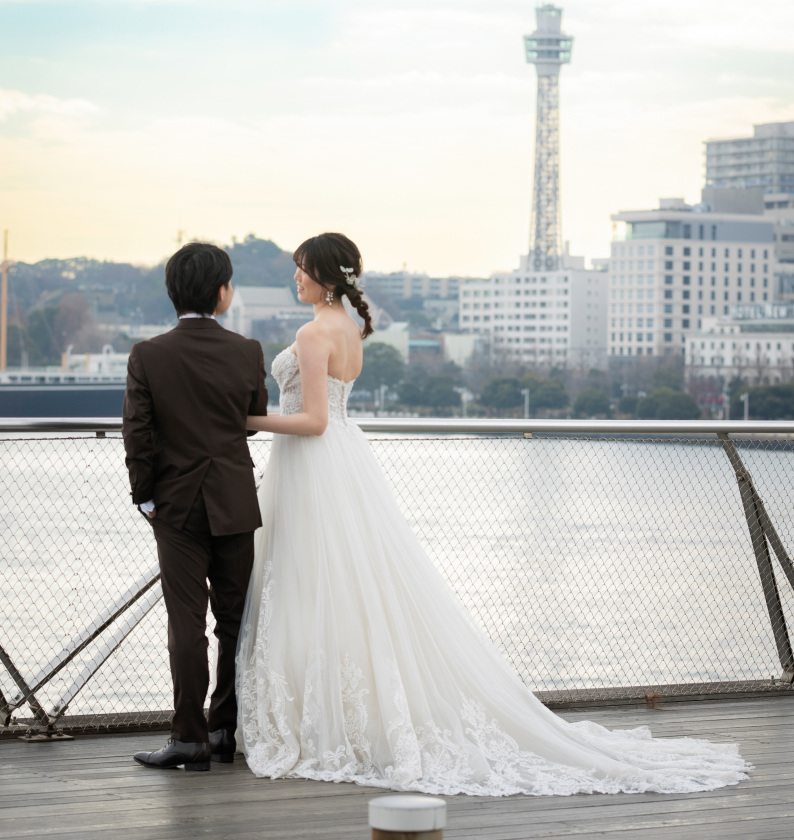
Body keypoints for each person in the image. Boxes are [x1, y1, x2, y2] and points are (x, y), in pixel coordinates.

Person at [236, 232, 748, 796]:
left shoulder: (313, 334)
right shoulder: (350, 329)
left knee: (312, 587)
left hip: (313, 464)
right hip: (342, 466)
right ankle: (345, 711)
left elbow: (313, 420)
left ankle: (325, 717)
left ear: (327, 276)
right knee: (346, 589)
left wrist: (247, 422)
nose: (296, 278)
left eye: (302, 270)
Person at [123, 242, 267, 772]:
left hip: (177, 508)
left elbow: (136, 432)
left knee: (186, 620)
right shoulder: (247, 351)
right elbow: (254, 415)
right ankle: (225, 729)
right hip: (234, 500)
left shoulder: (148, 354)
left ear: (171, 292)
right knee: (235, 622)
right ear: (222, 292)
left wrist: (145, 496)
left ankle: (188, 738)